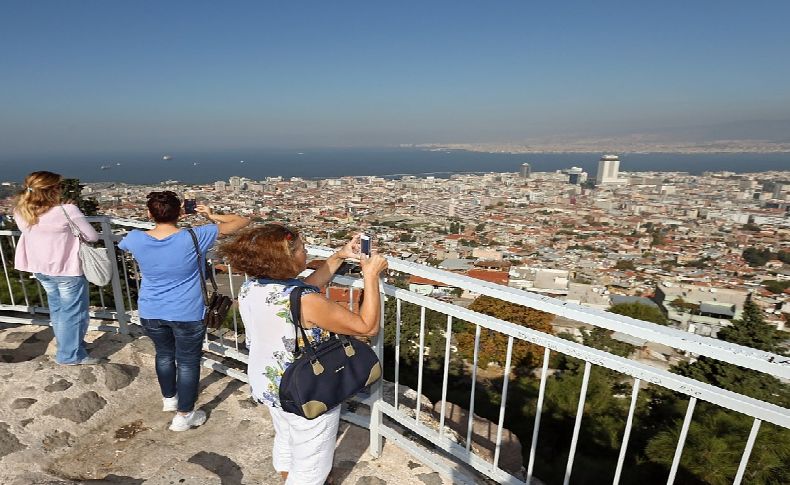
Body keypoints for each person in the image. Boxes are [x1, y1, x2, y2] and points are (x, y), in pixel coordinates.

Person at [217, 224, 388, 485]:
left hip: (270, 382)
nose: (306, 250)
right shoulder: (307, 301)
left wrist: (339, 256)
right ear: (287, 258)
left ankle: (286, 474)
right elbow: (367, 327)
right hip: (307, 389)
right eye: (301, 247)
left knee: (286, 435)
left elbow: (303, 289)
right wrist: (370, 276)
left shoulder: (252, 287)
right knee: (312, 463)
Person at [118, 191, 249, 431]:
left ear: (149, 213)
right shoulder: (194, 236)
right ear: (180, 212)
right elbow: (242, 221)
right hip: (187, 310)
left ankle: (170, 399)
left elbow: (123, 244)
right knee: (188, 362)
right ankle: (184, 415)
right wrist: (211, 214)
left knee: (164, 354)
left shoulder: (135, 238)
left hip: (151, 309)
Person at [14, 171, 101, 365]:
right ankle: (70, 355)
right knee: (74, 312)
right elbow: (92, 237)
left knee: (58, 310)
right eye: (59, 186)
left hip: (41, 268)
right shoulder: (66, 210)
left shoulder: (21, 210)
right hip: (66, 269)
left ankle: (71, 344)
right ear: (52, 190)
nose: (61, 189)